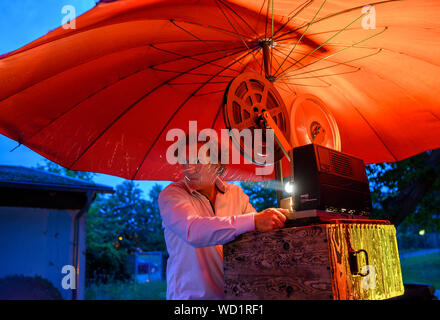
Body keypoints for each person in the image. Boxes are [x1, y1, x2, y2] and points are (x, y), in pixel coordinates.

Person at [158, 136, 288, 300]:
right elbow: (193, 231)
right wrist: (254, 220)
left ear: (217, 165)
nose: (189, 168)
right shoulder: (172, 195)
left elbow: (257, 237)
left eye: (198, 160)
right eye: (185, 161)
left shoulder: (236, 194)